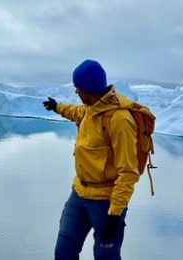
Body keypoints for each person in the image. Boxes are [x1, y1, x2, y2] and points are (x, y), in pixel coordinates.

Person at [43, 59, 140, 260]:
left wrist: (115, 215)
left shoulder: (119, 120)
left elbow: (128, 172)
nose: (76, 92)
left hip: (106, 202)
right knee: (64, 253)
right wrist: (56, 107)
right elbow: (74, 111)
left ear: (90, 88)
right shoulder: (89, 109)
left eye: (78, 88)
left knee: (105, 257)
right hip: (79, 195)